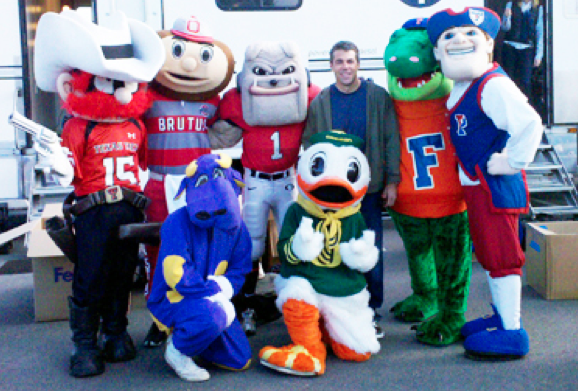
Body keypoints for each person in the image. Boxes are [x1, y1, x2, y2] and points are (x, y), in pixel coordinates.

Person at [33, 9, 164, 377]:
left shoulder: (137, 124)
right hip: (92, 214)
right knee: (90, 277)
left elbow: (140, 163)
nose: (122, 91)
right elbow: (68, 172)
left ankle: (115, 333)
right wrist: (57, 161)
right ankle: (85, 345)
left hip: (129, 212)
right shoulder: (78, 126)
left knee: (123, 275)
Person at [427, 6, 543, 360]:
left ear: (489, 43)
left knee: (502, 257)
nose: (459, 39)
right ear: (437, 51)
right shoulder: (468, 84)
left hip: (495, 188)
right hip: (478, 187)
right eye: (448, 36)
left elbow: (530, 124)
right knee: (490, 254)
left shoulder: (492, 85)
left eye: (470, 33)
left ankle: (512, 331)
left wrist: (511, 161)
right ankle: (500, 315)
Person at [141, 15, 235, 348]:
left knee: (199, 253)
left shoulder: (211, 100)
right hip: (159, 182)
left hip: (198, 186)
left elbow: (228, 125)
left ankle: (199, 315)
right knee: (159, 252)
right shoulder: (148, 96)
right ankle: (159, 318)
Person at [302, 41, 400, 338]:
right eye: (340, 62)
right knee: (335, 251)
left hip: (368, 191)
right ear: (331, 65)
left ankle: (371, 311)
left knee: (369, 251)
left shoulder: (378, 97)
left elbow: (391, 138)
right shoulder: (321, 102)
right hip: (333, 194)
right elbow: (310, 143)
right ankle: (341, 311)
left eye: (350, 61)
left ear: (359, 64)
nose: (346, 67)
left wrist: (392, 180)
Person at [501, 0, 544, 100]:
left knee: (525, 81)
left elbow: (540, 32)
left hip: (527, 48)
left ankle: (525, 106)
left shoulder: (538, 9)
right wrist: (507, 17)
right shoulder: (511, 4)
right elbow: (504, 28)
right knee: (509, 80)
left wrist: (539, 55)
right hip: (510, 47)